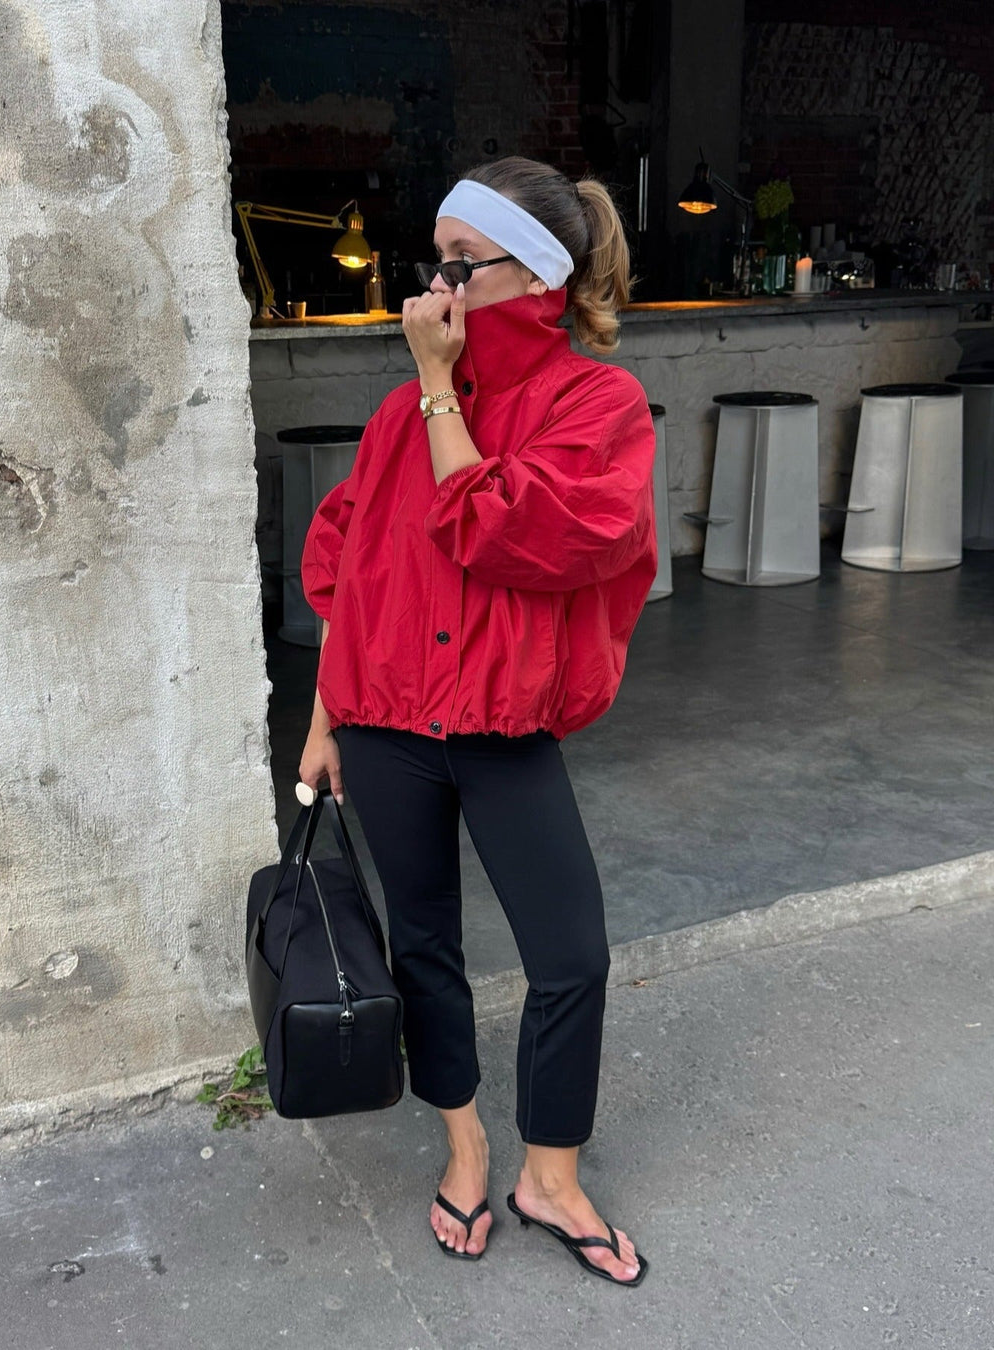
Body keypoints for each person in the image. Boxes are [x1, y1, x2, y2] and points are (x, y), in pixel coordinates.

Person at [298, 156, 656, 1286]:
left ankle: (550, 1176)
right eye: (435, 262)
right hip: (387, 727)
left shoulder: (596, 404)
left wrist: (441, 389)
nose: (433, 289)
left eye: (460, 265)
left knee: (571, 955)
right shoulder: (402, 414)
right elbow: (351, 574)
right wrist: (324, 721)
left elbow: (512, 531)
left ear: (536, 278)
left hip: (503, 733)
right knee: (426, 950)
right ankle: (465, 1148)